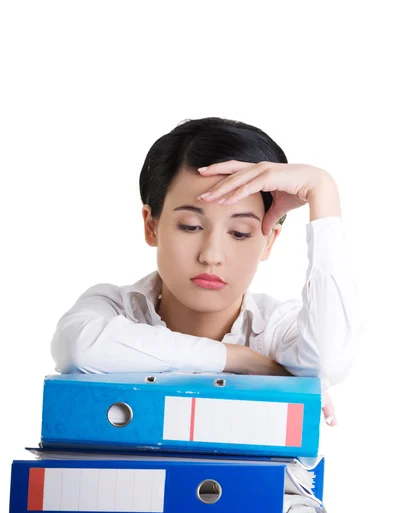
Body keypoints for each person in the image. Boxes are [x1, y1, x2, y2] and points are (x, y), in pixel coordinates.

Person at [50, 117, 361, 428]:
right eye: (191, 226)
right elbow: (76, 349)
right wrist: (238, 358)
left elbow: (329, 364)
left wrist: (324, 192)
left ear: (269, 243)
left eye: (239, 233)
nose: (211, 255)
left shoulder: (277, 330)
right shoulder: (112, 308)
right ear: (151, 226)